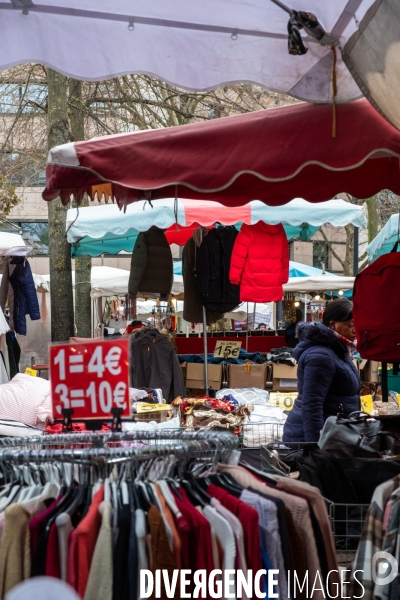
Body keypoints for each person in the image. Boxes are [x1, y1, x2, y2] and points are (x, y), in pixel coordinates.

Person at [283, 298, 360, 443]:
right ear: (332, 326)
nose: (355, 330)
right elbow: (312, 405)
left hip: (334, 434)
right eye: (350, 325)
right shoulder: (321, 355)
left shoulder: (340, 351)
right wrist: (315, 447)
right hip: (318, 437)